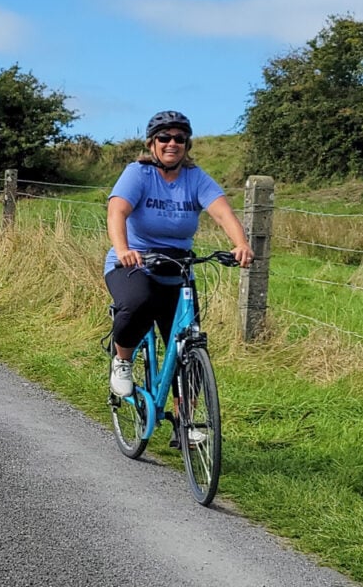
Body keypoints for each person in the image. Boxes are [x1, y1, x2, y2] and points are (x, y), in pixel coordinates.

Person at [105, 111, 254, 399]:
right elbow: (117, 212)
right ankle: (122, 360)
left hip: (178, 265)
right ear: (152, 143)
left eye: (179, 138)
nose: (172, 143)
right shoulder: (138, 173)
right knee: (138, 303)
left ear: (187, 145)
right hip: (136, 261)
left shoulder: (195, 178)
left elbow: (223, 214)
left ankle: (185, 418)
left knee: (189, 341)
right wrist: (123, 250)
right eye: (164, 137)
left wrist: (241, 244)